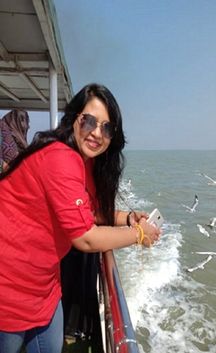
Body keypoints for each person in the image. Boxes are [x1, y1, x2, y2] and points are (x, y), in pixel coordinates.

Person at [0, 83, 161, 353]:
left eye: (107, 128)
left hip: (44, 287)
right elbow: (85, 238)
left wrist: (128, 218)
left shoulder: (83, 161)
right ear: (75, 119)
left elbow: (86, 211)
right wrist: (140, 234)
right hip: (9, 287)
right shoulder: (61, 157)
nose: (97, 133)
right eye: (90, 121)